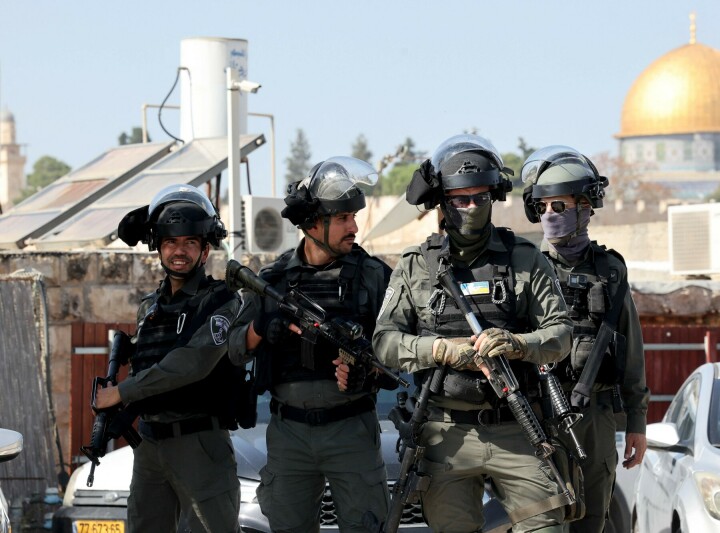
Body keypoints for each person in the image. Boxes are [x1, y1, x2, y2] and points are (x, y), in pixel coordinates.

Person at [372, 134, 574, 533]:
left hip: (517, 426)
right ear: (443, 202)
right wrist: (440, 350)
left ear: (493, 197)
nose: (469, 208)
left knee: (547, 526)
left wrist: (519, 344)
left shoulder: (524, 259)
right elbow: (384, 342)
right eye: (460, 199)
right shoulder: (416, 265)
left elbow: (561, 334)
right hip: (446, 432)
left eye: (479, 198)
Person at [225, 156, 396, 533]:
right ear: (313, 224)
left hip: (351, 427)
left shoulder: (373, 276)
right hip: (290, 435)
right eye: (343, 218)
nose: (355, 226)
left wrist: (365, 372)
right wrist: (261, 328)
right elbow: (235, 348)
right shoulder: (272, 279)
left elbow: (399, 352)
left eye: (355, 216)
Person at [95, 184, 243, 532]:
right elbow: (150, 362)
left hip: (199, 445)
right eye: (171, 243)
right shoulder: (150, 307)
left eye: (190, 242)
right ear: (158, 248)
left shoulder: (222, 301)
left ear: (205, 250)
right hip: (150, 444)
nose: (180, 251)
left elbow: (193, 362)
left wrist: (123, 392)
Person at [520, 146, 650, 533]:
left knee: (592, 520)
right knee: (540, 523)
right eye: (542, 207)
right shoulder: (524, 266)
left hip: (594, 417)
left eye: (558, 207)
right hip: (536, 416)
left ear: (584, 208)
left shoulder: (609, 270)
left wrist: (639, 423)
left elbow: (632, 350)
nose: (549, 216)